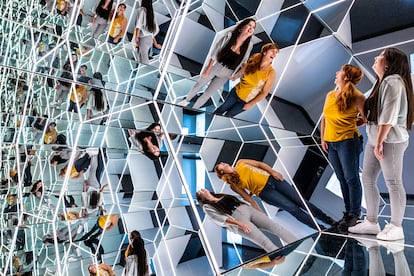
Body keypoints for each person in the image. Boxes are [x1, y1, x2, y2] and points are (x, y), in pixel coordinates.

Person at [348, 48, 414, 241]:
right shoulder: (383, 81)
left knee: (393, 182)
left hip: (389, 141)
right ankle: (371, 222)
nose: (376, 58)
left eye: (381, 56)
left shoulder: (393, 81)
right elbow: (379, 112)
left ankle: (396, 226)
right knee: (367, 178)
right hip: (377, 137)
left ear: (387, 63)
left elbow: (389, 116)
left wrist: (379, 142)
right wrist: (367, 121)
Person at [215, 159, 335, 230]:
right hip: (266, 193)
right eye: (222, 166)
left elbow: (260, 164)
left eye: (223, 163)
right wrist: (259, 213)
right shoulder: (233, 185)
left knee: (301, 202)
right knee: (294, 210)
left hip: (273, 180)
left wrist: (273, 172)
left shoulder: (240, 162)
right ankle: (322, 229)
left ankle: (328, 220)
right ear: (222, 172)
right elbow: (249, 199)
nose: (224, 163)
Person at [320, 64, 365, 232]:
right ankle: (348, 213)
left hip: (348, 142)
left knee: (351, 179)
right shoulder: (330, 95)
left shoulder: (358, 97)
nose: (336, 72)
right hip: (331, 143)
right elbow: (324, 118)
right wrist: (323, 138)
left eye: (339, 71)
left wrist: (355, 121)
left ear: (345, 77)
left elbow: (366, 118)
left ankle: (354, 214)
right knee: (341, 178)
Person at [178, 18, 256, 109]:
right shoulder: (229, 36)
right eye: (249, 25)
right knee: (199, 84)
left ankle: (193, 109)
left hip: (227, 73)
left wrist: (237, 75)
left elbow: (244, 62)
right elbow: (215, 52)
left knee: (208, 93)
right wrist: (208, 68)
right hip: (216, 66)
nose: (251, 28)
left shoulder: (249, 45)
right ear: (242, 27)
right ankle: (186, 101)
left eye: (253, 27)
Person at [196, 189, 297, 253]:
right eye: (200, 192)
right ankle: (281, 259)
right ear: (201, 198)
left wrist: (256, 208)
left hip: (247, 209)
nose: (203, 190)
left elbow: (240, 200)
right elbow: (218, 219)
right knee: (264, 242)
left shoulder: (219, 195)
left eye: (202, 189)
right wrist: (239, 224)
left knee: (277, 228)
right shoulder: (207, 206)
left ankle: (298, 244)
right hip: (237, 219)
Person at [214, 43, 278, 117]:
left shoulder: (271, 73)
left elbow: (264, 93)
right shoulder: (254, 60)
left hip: (246, 101)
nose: (274, 54)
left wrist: (251, 104)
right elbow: (244, 69)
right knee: (221, 109)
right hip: (236, 92)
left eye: (276, 52)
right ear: (264, 52)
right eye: (272, 51)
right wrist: (235, 77)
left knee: (229, 115)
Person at [134, 0, 162, 64]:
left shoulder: (142, 10)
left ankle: (142, 71)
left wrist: (136, 37)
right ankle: (139, 71)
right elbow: (153, 32)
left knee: (143, 59)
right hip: (149, 40)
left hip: (143, 39)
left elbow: (139, 25)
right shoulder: (152, 13)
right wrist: (155, 43)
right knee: (142, 57)